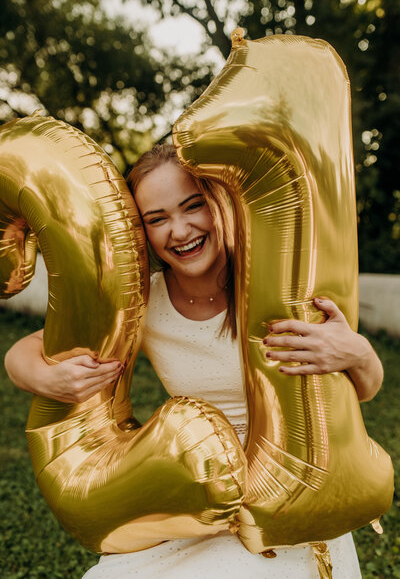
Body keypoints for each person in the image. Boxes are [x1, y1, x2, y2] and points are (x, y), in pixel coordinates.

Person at [5, 144, 383, 578]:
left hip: (288, 494)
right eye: (156, 219)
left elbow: (366, 389)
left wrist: (356, 350)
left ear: (218, 203)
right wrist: (45, 378)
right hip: (201, 493)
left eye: (192, 206)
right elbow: (21, 354)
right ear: (139, 231)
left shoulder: (275, 282)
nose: (180, 230)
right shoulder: (142, 302)